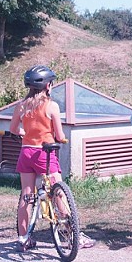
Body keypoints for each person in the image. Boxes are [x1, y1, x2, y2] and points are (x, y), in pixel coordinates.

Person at [9, 65, 94, 252]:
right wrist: (60, 138)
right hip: (44, 154)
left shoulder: (21, 106)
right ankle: (74, 237)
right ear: (47, 86)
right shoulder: (51, 106)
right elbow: (59, 133)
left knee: (26, 195)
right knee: (59, 193)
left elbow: (13, 130)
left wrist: (25, 132)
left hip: (26, 153)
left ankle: (23, 239)